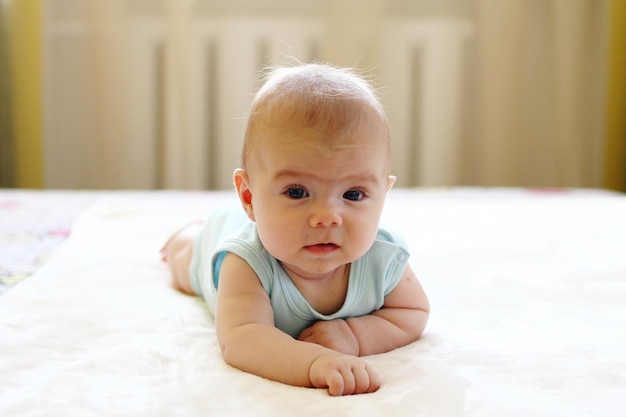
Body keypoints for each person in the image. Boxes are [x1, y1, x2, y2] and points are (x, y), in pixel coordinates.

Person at [160, 63, 430, 396]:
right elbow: (242, 337)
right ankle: (184, 234)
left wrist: (355, 335)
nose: (328, 217)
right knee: (183, 264)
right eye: (297, 192)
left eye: (354, 194)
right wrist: (313, 362)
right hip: (215, 238)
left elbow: (412, 313)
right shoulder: (246, 262)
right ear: (249, 195)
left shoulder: (385, 256)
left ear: (383, 196)